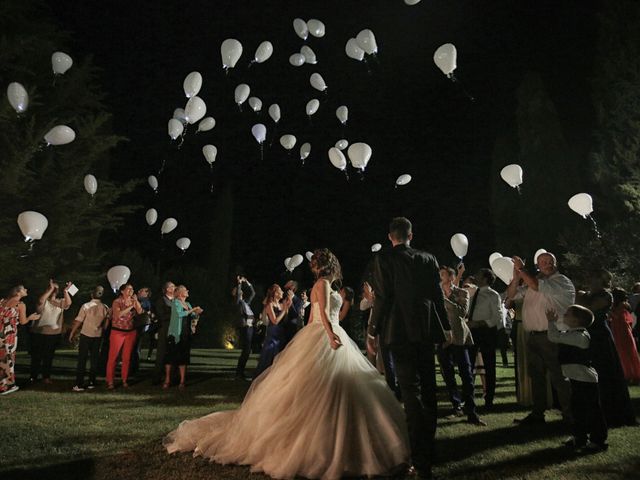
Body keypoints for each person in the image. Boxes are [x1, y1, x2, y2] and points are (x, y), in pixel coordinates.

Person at [164, 248, 409, 479]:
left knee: (339, 388)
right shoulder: (322, 284)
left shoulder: (323, 284)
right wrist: (330, 334)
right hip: (323, 336)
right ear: (330, 266)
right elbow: (322, 312)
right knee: (321, 388)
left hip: (327, 334)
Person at [368, 217, 449, 479]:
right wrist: (445, 327)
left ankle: (419, 456)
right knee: (428, 388)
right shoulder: (427, 258)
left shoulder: (384, 259)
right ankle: (429, 451)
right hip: (425, 329)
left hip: (398, 330)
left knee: (410, 391)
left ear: (390, 237)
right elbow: (437, 295)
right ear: (410, 235)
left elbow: (382, 297)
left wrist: (373, 329)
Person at [507, 252, 575, 426]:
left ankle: (570, 415)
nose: (548, 263)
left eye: (550, 261)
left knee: (559, 377)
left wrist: (522, 269)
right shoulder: (533, 283)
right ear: (538, 265)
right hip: (535, 336)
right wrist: (516, 278)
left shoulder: (561, 281)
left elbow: (537, 285)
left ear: (556, 263)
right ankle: (538, 414)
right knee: (537, 376)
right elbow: (512, 295)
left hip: (552, 336)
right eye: (543, 261)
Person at [579, 270, 636, 426]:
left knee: (606, 372)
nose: (590, 281)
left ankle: (612, 412)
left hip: (601, 337)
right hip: (588, 335)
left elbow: (588, 309)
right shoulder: (587, 295)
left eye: (594, 278)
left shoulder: (606, 295)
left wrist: (581, 298)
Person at [547, 305, 608, 451]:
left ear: (575, 320)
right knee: (578, 410)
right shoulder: (574, 333)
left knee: (592, 411)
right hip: (577, 378)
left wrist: (551, 322)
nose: (564, 315)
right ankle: (579, 437)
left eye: (567, 314)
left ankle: (598, 441)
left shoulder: (580, 336)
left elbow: (554, 336)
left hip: (585, 380)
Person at [437, 266, 485, 425]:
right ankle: (456, 405)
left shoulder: (462, 293)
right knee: (447, 373)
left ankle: (471, 410)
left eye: (443, 275)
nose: (440, 277)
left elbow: (462, 312)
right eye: (440, 275)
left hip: (459, 338)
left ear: (451, 277)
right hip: (443, 339)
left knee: (466, 373)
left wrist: (444, 299)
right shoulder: (435, 294)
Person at [468, 268, 504, 410]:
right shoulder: (473, 293)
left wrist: (481, 323)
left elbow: (497, 317)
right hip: (472, 332)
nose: (475, 277)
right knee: (469, 365)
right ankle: (469, 398)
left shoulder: (492, 295)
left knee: (489, 366)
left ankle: (489, 398)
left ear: (485, 279)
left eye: (478, 275)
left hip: (486, 332)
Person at [30, 279, 72, 384]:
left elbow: (68, 303)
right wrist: (51, 289)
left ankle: (46, 377)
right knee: (36, 356)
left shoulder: (60, 302)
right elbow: (40, 301)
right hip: (38, 333)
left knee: (48, 356)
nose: (54, 291)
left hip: (53, 334)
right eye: (52, 288)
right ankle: (33, 376)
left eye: (55, 289)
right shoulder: (44, 301)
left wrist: (66, 291)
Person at [0, 285, 40, 395]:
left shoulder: (2, 301)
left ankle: (2, 385)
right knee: (9, 360)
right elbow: (23, 322)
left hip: (0, 335)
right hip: (10, 336)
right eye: (24, 289)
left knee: (1, 360)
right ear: (18, 292)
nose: (26, 290)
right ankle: (9, 385)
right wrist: (30, 318)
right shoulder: (20, 305)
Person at [69, 286, 109, 391]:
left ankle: (79, 384)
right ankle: (92, 382)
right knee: (94, 360)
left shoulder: (86, 306)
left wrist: (72, 332)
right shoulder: (105, 307)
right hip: (97, 335)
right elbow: (106, 324)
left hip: (86, 334)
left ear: (92, 294)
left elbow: (79, 320)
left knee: (82, 359)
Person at [163, 285, 202, 389]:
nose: (187, 291)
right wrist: (192, 310)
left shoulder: (188, 304)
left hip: (185, 334)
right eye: (185, 290)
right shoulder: (175, 302)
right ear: (180, 293)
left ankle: (182, 381)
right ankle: (167, 380)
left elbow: (193, 316)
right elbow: (179, 314)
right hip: (175, 334)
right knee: (170, 357)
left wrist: (197, 313)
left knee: (183, 358)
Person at [106, 283, 143, 389]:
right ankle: (110, 381)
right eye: (128, 289)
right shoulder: (117, 301)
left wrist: (136, 302)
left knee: (126, 358)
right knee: (113, 357)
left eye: (132, 289)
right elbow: (118, 315)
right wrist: (131, 306)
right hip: (117, 331)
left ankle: (124, 379)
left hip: (130, 331)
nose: (131, 291)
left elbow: (140, 312)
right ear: (122, 291)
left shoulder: (133, 301)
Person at [253, 284, 292, 377]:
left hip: (281, 333)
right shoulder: (269, 304)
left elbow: (285, 320)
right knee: (269, 356)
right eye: (280, 291)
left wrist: (287, 305)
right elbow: (274, 321)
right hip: (273, 333)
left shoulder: (281, 304)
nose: (282, 292)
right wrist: (284, 309)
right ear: (275, 293)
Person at [609, 288, 640, 383]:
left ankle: (629, 373)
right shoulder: (623, 305)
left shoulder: (620, 305)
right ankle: (632, 373)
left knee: (624, 351)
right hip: (622, 329)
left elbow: (617, 316)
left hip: (620, 329)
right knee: (627, 351)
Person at [232, 275, 255, 380]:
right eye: (238, 291)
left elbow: (253, 293)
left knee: (247, 350)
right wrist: (239, 283)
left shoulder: (245, 302)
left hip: (250, 327)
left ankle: (240, 372)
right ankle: (239, 373)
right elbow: (238, 296)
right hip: (245, 327)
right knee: (246, 350)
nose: (240, 292)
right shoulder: (237, 303)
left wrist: (247, 282)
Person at [152, 281, 175, 384]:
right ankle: (157, 377)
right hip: (164, 329)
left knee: (173, 353)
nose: (174, 288)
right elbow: (161, 316)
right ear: (167, 289)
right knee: (161, 353)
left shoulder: (176, 301)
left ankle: (171, 376)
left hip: (174, 330)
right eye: (172, 286)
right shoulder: (161, 301)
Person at [282, 280, 305, 346]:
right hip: (282, 326)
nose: (285, 287)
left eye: (288, 286)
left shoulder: (298, 300)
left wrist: (290, 302)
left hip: (291, 327)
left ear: (292, 288)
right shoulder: (282, 298)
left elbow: (295, 314)